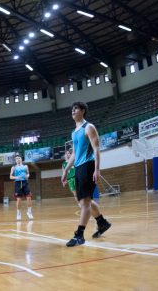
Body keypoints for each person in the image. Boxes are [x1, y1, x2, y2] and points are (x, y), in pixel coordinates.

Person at [62, 101, 112, 247]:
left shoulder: (88, 127)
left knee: (84, 202)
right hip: (78, 167)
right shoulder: (74, 132)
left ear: (83, 111)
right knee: (84, 200)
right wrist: (65, 170)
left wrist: (97, 169)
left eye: (75, 108)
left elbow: (96, 149)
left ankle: (79, 235)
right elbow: (74, 154)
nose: (72, 111)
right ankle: (102, 222)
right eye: (71, 109)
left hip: (88, 166)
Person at [10, 155, 32, 220]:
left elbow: (28, 174)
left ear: (21, 159)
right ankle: (18, 213)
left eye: (19, 158)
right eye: (16, 158)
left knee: (29, 197)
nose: (18, 159)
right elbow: (10, 177)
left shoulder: (25, 166)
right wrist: (16, 177)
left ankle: (29, 212)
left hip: (25, 182)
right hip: (18, 183)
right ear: (15, 160)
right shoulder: (13, 167)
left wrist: (27, 176)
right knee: (19, 199)